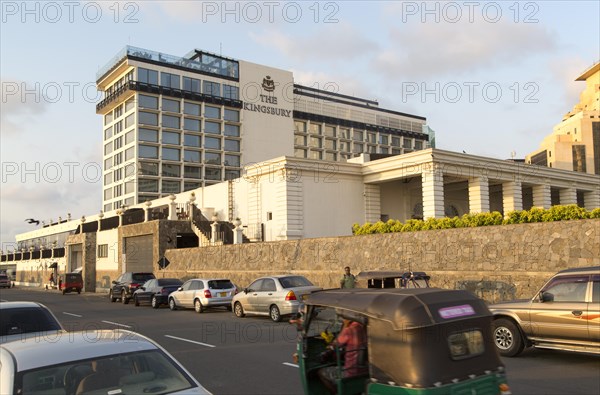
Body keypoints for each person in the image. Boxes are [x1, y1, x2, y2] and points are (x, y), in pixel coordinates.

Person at [318, 318, 367, 393]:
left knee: (321, 372)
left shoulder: (348, 330)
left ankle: (337, 392)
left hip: (351, 372)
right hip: (365, 370)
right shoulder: (365, 328)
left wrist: (345, 325)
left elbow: (336, 345)